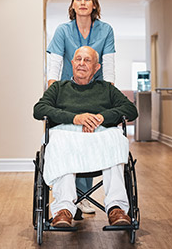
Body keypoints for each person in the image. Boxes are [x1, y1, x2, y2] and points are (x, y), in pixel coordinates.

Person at [33, 46, 138, 227]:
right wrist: (75, 118)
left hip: (100, 141)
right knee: (57, 141)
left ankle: (116, 208)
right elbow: (39, 109)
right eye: (78, 59)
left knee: (116, 138)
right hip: (67, 140)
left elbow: (130, 110)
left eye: (87, 60)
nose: (81, 63)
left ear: (96, 67)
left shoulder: (106, 89)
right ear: (72, 63)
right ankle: (63, 210)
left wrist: (102, 117)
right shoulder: (58, 88)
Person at [47, 0, 117, 213]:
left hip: (94, 90)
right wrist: (53, 94)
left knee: (91, 136)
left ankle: (83, 196)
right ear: (73, 5)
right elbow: (55, 64)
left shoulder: (105, 30)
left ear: (94, 5)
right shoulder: (63, 31)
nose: (83, 2)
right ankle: (67, 198)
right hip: (69, 91)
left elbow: (109, 66)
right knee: (67, 137)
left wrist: (108, 96)